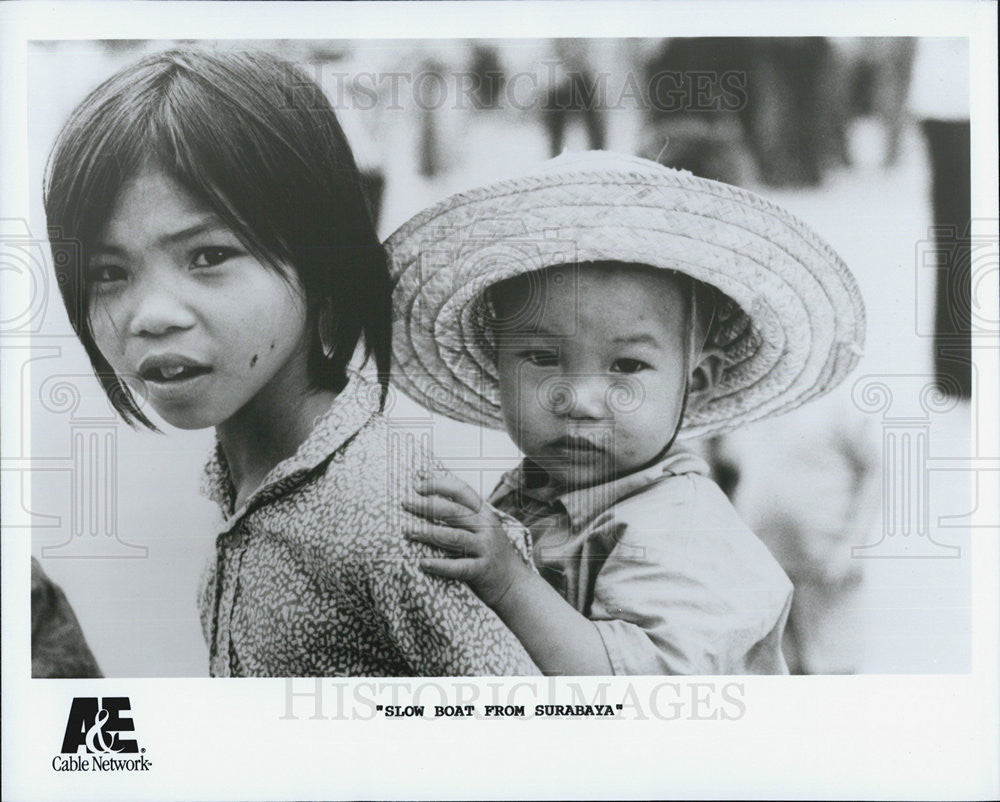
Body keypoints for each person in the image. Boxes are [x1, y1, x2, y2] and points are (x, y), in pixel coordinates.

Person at [43, 48, 538, 677]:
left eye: (208, 256)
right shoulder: (249, 481)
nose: (151, 314)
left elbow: (530, 736)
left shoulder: (389, 517)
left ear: (321, 261)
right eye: (109, 273)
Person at [386, 151, 866, 675]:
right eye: (544, 358)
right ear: (497, 362)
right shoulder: (533, 493)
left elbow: (633, 702)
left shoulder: (685, 533)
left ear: (697, 382)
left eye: (627, 365)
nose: (580, 401)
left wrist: (508, 582)